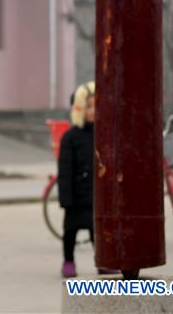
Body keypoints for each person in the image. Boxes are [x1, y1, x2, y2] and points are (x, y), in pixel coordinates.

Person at [58, 81, 116, 278]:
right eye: (88, 106)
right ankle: (68, 261)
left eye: (96, 106)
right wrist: (66, 199)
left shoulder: (103, 135)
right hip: (75, 196)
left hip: (95, 195)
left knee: (97, 232)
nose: (93, 111)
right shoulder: (70, 137)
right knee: (70, 231)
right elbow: (64, 171)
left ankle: (102, 262)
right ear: (80, 109)